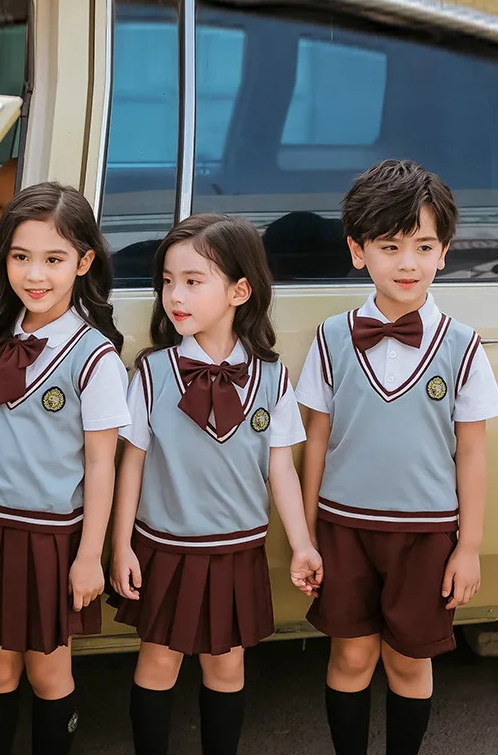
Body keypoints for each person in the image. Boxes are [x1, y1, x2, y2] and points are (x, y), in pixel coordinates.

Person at [296, 160, 498, 755]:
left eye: (423, 246)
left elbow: (472, 451)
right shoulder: (333, 338)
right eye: (389, 246)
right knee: (351, 654)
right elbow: (315, 440)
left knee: (410, 662)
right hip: (343, 528)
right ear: (359, 252)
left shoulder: (462, 347)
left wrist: (467, 546)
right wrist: (307, 535)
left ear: (444, 252)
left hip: (426, 533)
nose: (406, 263)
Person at [110, 214, 323, 755]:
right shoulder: (153, 373)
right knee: (158, 659)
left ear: (239, 290)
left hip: (235, 548)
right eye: (166, 282)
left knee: (227, 665)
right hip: (165, 545)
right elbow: (130, 463)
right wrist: (119, 547)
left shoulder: (273, 378)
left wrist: (302, 543)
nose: (173, 296)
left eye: (192, 281)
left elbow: (281, 468)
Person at [0, 182, 131, 755]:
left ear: (84, 262)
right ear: (4, 260)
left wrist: (90, 556)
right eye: (21, 257)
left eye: (54, 259)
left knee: (48, 672)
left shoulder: (94, 358)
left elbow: (101, 464)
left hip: (49, 536)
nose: (35, 274)